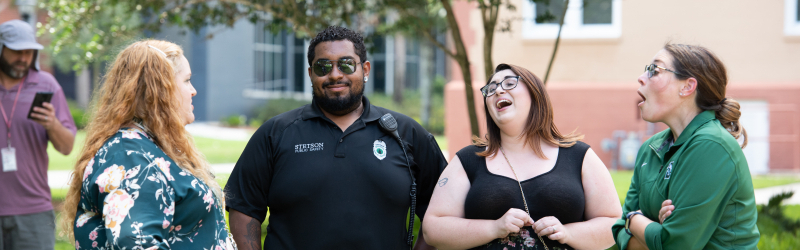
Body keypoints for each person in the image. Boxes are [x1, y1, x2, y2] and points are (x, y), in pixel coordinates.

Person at [225, 26, 448, 250]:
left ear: (366, 69)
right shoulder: (275, 133)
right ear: (311, 73)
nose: (335, 74)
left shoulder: (405, 133)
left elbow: (443, 209)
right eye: (323, 67)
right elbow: (244, 209)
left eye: (346, 64)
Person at [422, 63, 622, 250]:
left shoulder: (579, 155)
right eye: (490, 89)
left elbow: (614, 223)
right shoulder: (468, 160)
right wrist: (494, 228)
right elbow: (432, 229)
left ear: (535, 94)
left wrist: (567, 232)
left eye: (510, 83)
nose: (498, 90)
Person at [60, 40, 234, 249]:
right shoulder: (130, 157)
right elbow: (137, 244)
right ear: (161, 89)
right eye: (186, 80)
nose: (193, 90)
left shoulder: (150, 145)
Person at [611, 44, 760, 250]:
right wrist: (654, 231)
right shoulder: (649, 149)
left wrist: (634, 220)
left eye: (654, 70)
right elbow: (618, 232)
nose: (641, 77)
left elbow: (674, 245)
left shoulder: (711, 146)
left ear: (687, 87)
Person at [0, 19, 76, 250]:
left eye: (29, 52)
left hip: (33, 210)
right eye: (16, 52)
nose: (23, 58)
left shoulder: (46, 85)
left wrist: (52, 123)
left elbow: (66, 147)